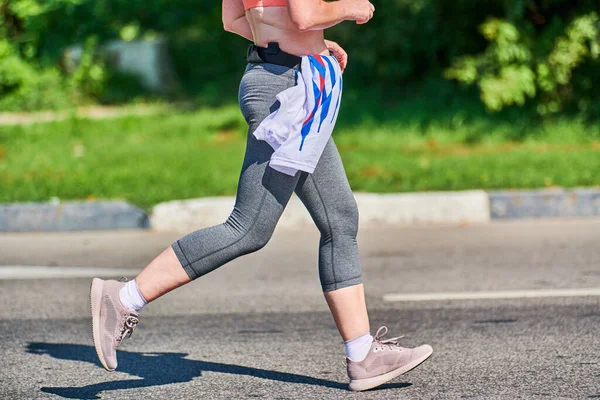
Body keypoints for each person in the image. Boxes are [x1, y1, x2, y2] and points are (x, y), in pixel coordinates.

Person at [90, 0, 433, 392]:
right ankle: (126, 297)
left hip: (274, 77)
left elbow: (233, 19)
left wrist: (307, 42)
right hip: (285, 91)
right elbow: (305, 15)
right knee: (248, 227)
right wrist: (348, 8)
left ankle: (363, 355)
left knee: (339, 218)